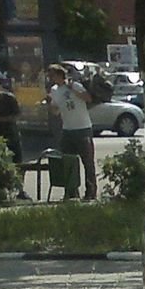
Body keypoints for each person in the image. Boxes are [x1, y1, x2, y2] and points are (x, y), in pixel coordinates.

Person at [45, 63, 97, 200]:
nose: (51, 78)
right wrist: (49, 104)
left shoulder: (75, 85)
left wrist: (72, 89)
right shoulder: (55, 90)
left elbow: (88, 98)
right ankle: (71, 191)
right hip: (67, 129)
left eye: (52, 75)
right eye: (49, 76)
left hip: (83, 128)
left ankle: (90, 191)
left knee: (88, 162)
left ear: (59, 75)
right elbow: (56, 111)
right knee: (68, 161)